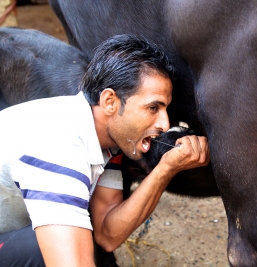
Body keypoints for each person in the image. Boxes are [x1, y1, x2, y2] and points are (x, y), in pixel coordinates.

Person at [0, 34, 210, 267]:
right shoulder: (61, 147)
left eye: (165, 109)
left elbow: (107, 234)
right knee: (46, 248)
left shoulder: (105, 140)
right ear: (110, 101)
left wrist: (166, 169)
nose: (164, 123)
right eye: (153, 107)